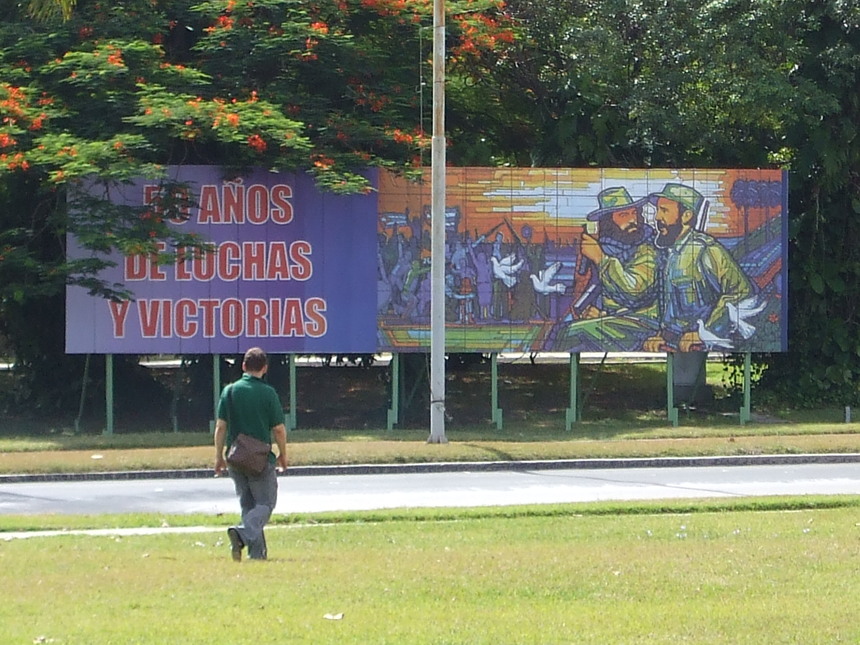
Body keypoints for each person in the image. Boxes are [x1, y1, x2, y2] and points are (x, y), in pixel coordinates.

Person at [642, 183, 753, 352]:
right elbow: (672, 310)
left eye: (664, 210)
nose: (657, 217)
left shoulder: (706, 250)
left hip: (703, 345)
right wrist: (662, 336)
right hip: (674, 343)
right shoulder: (670, 254)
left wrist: (704, 333)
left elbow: (741, 293)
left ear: (686, 216)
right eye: (658, 210)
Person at [555, 187, 659, 351]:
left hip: (643, 324)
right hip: (616, 321)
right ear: (608, 222)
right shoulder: (609, 247)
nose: (632, 220)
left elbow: (634, 292)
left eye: (634, 213)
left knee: (571, 333)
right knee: (563, 332)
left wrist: (600, 258)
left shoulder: (647, 248)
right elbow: (598, 289)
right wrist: (597, 311)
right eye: (624, 215)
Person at [214, 347, 288, 561]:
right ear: (265, 368)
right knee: (266, 503)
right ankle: (242, 533)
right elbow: (278, 429)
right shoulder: (268, 393)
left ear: (243, 366)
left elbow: (221, 427)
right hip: (260, 458)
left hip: (235, 457)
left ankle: (257, 554)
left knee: (248, 505)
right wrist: (283, 454)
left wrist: (219, 457)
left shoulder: (229, 391)